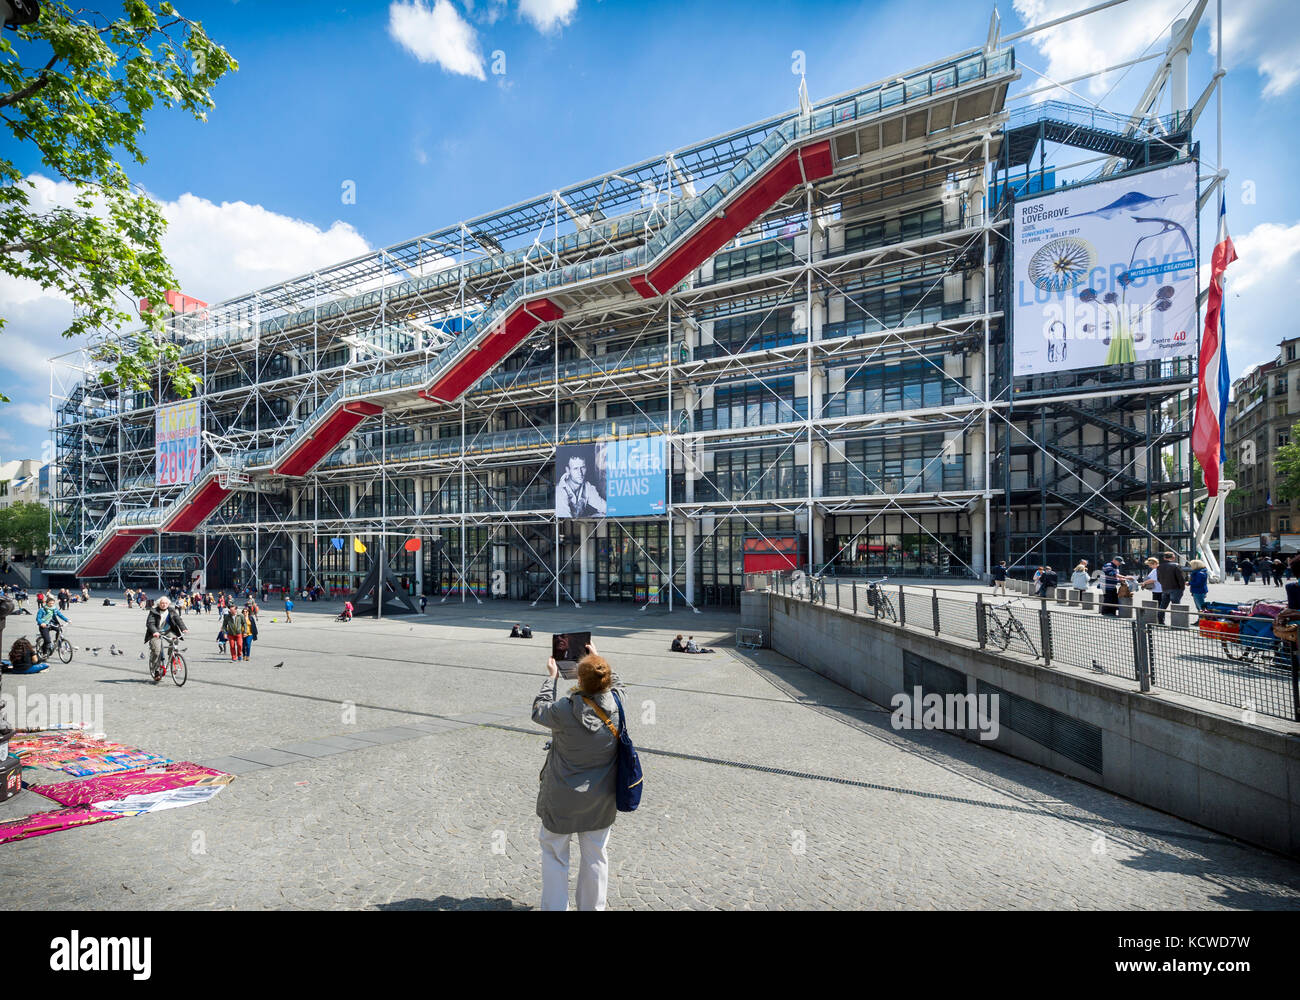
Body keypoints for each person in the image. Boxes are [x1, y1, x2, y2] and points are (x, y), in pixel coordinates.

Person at [531, 640, 625, 911]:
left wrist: (551, 678)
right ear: (606, 679)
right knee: (596, 855)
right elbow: (617, 684)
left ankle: (555, 907)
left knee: (554, 853)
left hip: (562, 797)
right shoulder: (618, 704)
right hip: (600, 797)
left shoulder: (562, 710)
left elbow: (538, 710)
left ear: (579, 680)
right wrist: (598, 660)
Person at [144, 595, 187, 679]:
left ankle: (173, 657)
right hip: (155, 632)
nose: (164, 604)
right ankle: (156, 670)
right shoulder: (154, 611)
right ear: (159, 604)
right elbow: (150, 623)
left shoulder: (171, 610)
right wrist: (155, 631)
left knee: (175, 640)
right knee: (157, 650)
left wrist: (183, 628)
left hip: (167, 631)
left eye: (166, 603)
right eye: (162, 603)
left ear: (168, 604)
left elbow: (178, 619)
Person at [556, 454, 607, 518]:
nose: (580, 473)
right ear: (568, 470)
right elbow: (566, 519)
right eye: (575, 468)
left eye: (582, 467)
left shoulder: (587, 486)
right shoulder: (559, 491)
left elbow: (604, 507)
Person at [1155, 551, 1186, 623]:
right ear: (1173, 557)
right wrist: (1182, 588)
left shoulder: (1159, 567)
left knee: (1163, 606)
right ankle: (1176, 623)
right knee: (1176, 606)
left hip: (1165, 588)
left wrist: (1164, 584)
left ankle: (1160, 621)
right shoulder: (1176, 565)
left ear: (1164, 558)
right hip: (1175, 588)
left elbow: (1158, 579)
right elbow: (1181, 578)